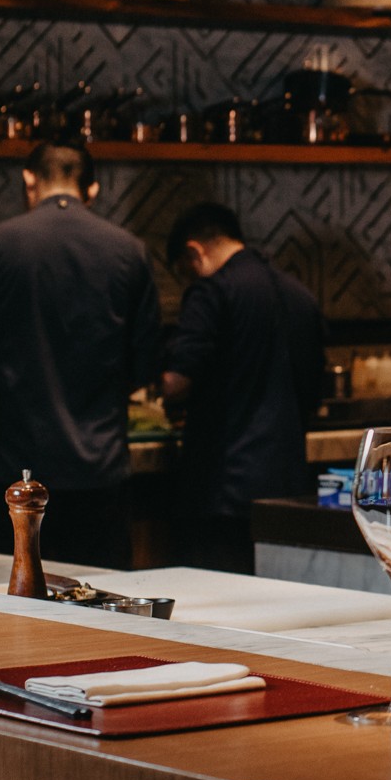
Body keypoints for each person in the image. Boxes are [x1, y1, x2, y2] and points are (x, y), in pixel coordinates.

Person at [0, 142, 160, 569]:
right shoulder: (130, 251)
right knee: (100, 603)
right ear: (92, 190)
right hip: (100, 477)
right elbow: (146, 365)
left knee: (5, 601)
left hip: (12, 476)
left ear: (29, 180)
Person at [161, 202, 325, 574]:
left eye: (185, 271)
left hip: (223, 489)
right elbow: (315, 392)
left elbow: (175, 383)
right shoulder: (301, 296)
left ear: (194, 252)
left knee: (219, 599)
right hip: (289, 487)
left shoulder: (212, 292)